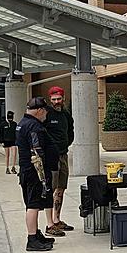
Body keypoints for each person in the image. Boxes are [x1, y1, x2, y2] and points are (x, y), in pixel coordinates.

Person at [16, 97, 56, 252]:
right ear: (39, 111)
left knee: (33, 203)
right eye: (45, 110)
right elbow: (37, 150)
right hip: (35, 172)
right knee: (33, 205)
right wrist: (43, 174)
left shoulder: (22, 124)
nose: (46, 113)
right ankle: (32, 239)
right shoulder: (34, 126)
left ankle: (36, 234)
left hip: (27, 171)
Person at [43, 86, 75, 237]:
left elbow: (70, 131)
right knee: (51, 188)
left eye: (59, 99)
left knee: (61, 188)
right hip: (51, 157)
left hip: (63, 154)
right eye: (54, 99)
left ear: (63, 98)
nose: (56, 102)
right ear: (50, 99)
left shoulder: (66, 114)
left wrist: (66, 144)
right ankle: (50, 223)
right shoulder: (47, 114)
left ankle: (57, 219)